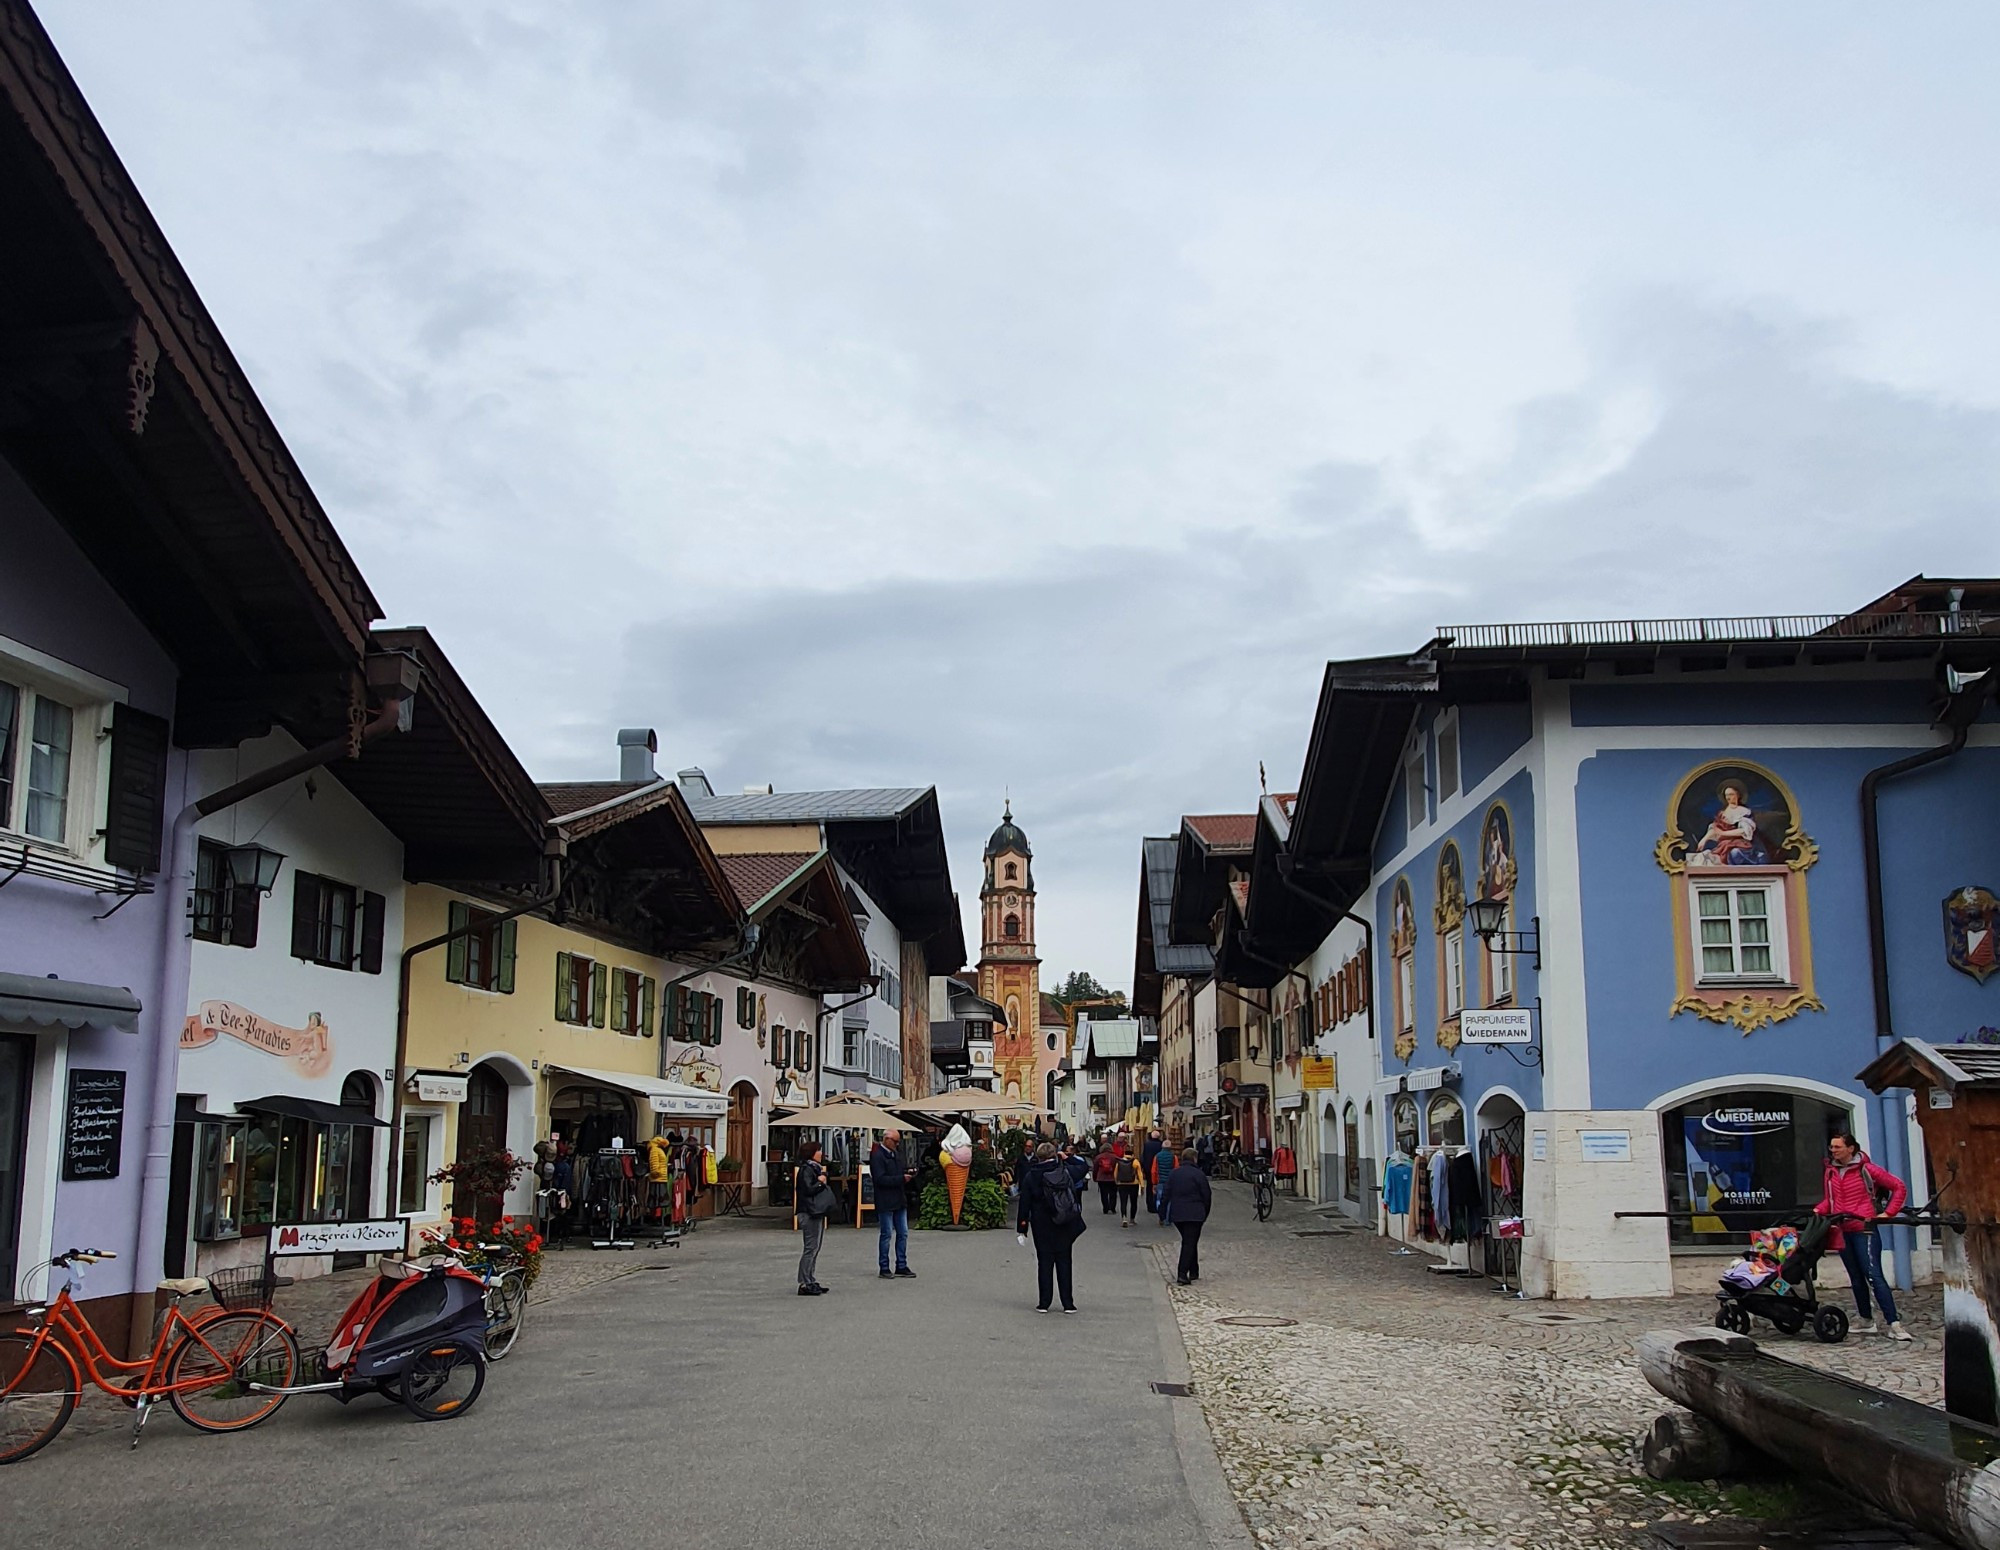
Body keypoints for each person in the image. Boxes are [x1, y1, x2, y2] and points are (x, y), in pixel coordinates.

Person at [1817, 1132, 1911, 1340]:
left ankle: (1894, 1323)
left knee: (1873, 1275)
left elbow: (1898, 1187)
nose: (1833, 1150)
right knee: (1856, 1278)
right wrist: (1817, 1211)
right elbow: (1830, 1200)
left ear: (1851, 1149)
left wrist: (1888, 1213)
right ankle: (1866, 1320)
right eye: (1831, 1147)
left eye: (1837, 1147)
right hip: (1842, 1230)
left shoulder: (1865, 1169)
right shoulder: (1831, 1172)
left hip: (1864, 1228)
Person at [1017, 1140, 1086, 1313]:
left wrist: (1022, 1227)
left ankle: (1044, 1302)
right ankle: (1068, 1303)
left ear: (1038, 1156)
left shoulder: (1031, 1175)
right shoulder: (1064, 1171)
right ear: (1054, 1155)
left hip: (1041, 1224)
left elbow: (1024, 1202)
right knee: (1064, 1260)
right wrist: (1067, 1157)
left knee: (1044, 1262)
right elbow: (1084, 1167)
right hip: (1064, 1221)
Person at [1161, 1146, 1213, 1284]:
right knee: (1189, 1242)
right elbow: (1206, 1195)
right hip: (1195, 1213)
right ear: (1194, 1158)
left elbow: (1166, 1193)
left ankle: (1194, 1270)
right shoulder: (1199, 1174)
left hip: (1178, 1213)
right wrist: (1205, 1212)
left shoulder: (1174, 1173)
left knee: (1190, 1240)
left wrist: (1162, 1211)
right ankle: (1182, 1273)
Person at [870, 1128, 916, 1280]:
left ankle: (901, 1265)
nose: (897, 1144)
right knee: (887, 1234)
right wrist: (901, 1178)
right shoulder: (877, 1156)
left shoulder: (895, 1155)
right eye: (895, 1141)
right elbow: (880, 1179)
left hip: (899, 1199)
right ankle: (884, 1266)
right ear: (887, 1139)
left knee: (903, 1233)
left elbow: (897, 1173)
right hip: (885, 1200)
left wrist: (907, 1173)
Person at [794, 1141, 832, 1296]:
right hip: (809, 1212)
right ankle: (804, 1283)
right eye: (818, 1150)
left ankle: (810, 1278)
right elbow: (808, 1189)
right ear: (811, 1153)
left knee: (815, 1247)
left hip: (815, 1212)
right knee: (810, 1247)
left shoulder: (814, 1169)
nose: (821, 1153)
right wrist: (820, 1183)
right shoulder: (806, 1170)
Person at [1113, 1146, 1143, 1226]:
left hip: (1122, 1184)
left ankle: (1124, 1218)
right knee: (1134, 1202)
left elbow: (1115, 1173)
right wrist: (1142, 1185)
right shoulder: (1135, 1162)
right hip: (1134, 1184)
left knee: (1123, 1202)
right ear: (1133, 1154)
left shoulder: (1119, 1161)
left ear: (1124, 1154)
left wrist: (1116, 1182)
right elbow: (1140, 1174)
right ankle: (1132, 1219)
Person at [1152, 1141, 1178, 1226]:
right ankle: (1167, 1219)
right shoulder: (1174, 1157)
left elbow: (1154, 1171)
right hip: (1170, 1182)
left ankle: (1160, 1215)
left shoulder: (1157, 1156)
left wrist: (1154, 1183)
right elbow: (1176, 1169)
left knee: (1159, 1199)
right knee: (1169, 1200)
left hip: (1160, 1182)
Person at [1094, 1144, 1119, 1214]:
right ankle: (1112, 1208)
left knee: (1103, 1194)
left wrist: (1095, 1177)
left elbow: (1095, 1168)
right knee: (1113, 1193)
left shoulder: (1098, 1157)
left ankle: (1105, 1208)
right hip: (1112, 1178)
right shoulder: (1115, 1157)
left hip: (1101, 1178)